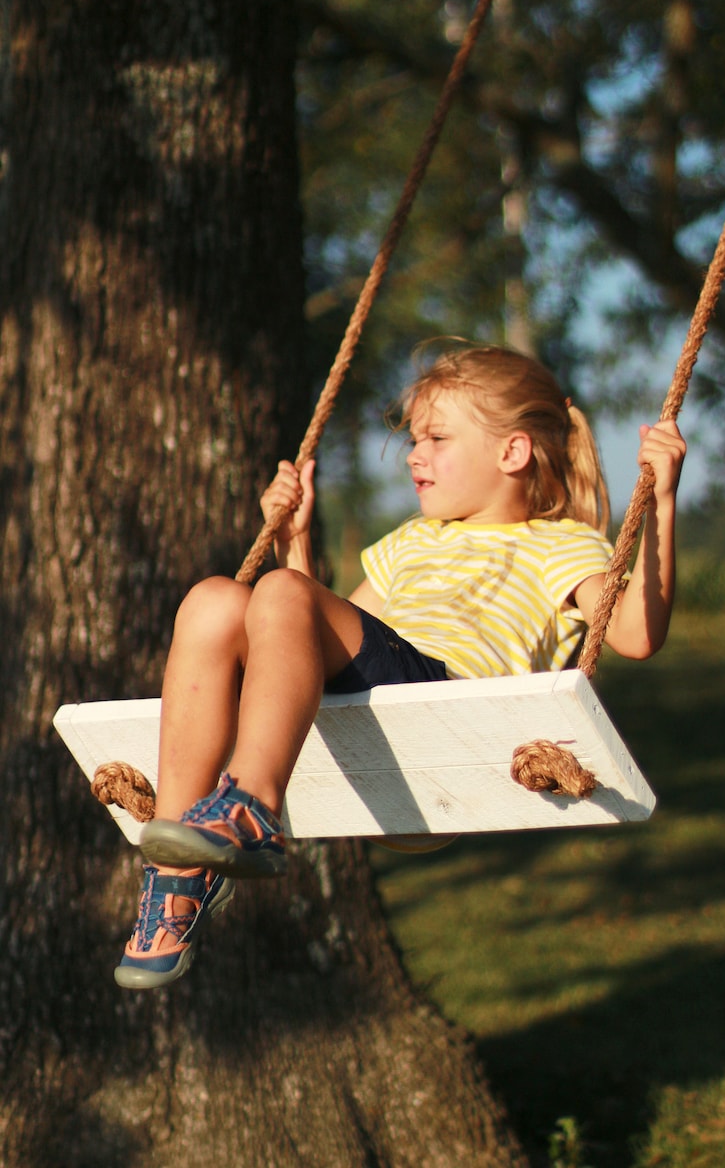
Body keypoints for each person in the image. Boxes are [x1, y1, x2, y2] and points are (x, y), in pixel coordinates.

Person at [115, 342, 686, 989]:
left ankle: (250, 810)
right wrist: (294, 542)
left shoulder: (560, 543)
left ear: (513, 452)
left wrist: (661, 499)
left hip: (450, 712)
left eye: (437, 437)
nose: (415, 454)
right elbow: (307, 640)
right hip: (373, 711)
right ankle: (176, 880)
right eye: (416, 439)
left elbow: (636, 635)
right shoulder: (413, 541)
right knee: (213, 600)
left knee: (277, 594)